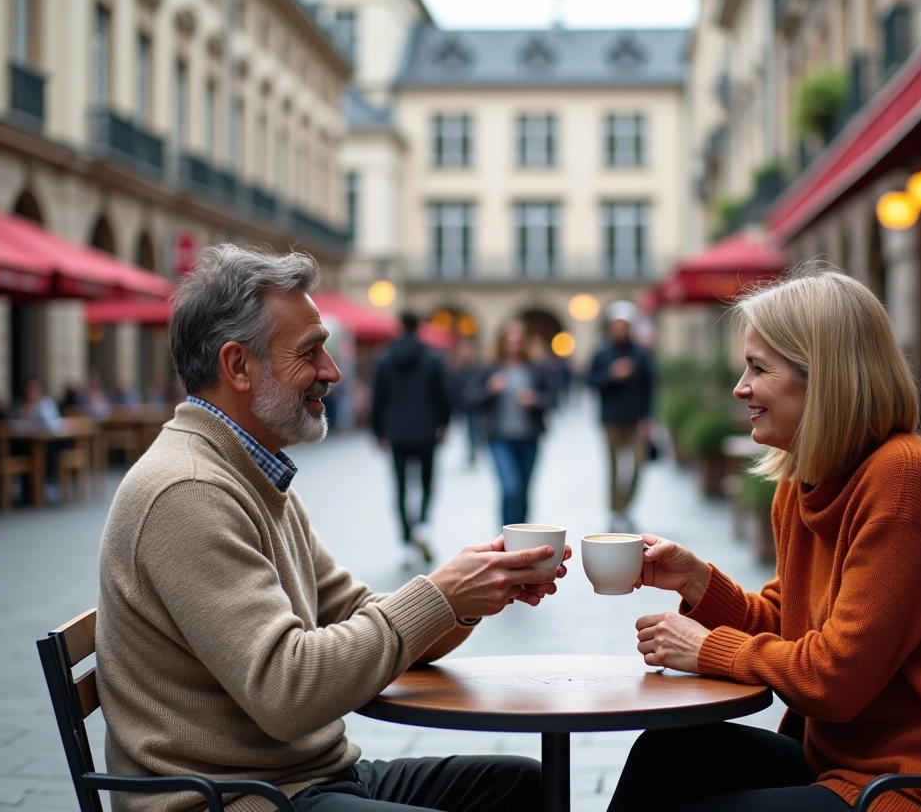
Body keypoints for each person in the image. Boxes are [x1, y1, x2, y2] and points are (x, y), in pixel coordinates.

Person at [97, 244, 568, 812]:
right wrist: (438, 595)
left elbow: (353, 608)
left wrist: (470, 596)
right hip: (237, 799)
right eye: (310, 352)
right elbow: (286, 690)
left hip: (304, 777)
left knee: (521, 785)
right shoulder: (190, 491)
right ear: (238, 366)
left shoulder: (251, 471)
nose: (333, 371)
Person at [609, 267, 921, 812]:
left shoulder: (902, 481)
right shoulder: (806, 479)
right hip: (843, 765)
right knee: (669, 752)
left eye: (759, 368)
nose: (740, 387)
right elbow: (790, 623)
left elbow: (834, 682)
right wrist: (698, 580)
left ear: (823, 377)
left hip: (920, 787)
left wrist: (707, 648)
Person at [371, 312, 452, 566]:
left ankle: (405, 542)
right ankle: (423, 525)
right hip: (427, 430)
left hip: (397, 432)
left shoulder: (385, 358)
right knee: (427, 482)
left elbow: (378, 399)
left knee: (401, 487)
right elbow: (443, 395)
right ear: (420, 327)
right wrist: (443, 424)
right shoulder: (433, 358)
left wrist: (377, 431)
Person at [464, 320, 558, 526]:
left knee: (523, 491)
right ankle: (506, 538)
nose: (514, 343)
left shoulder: (536, 368)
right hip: (499, 438)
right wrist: (490, 389)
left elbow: (552, 399)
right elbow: (469, 398)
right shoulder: (489, 367)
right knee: (511, 489)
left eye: (519, 339)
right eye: (510, 339)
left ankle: (522, 536)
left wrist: (535, 400)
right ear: (502, 341)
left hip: (529, 438)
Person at [587, 301, 654, 531]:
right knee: (614, 467)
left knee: (638, 464)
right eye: (616, 325)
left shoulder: (640, 354)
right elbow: (590, 381)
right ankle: (615, 512)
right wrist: (612, 375)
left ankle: (625, 507)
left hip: (636, 420)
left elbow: (650, 388)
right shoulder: (602, 353)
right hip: (611, 420)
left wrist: (648, 418)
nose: (620, 329)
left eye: (623, 325)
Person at [446, 337, 484, 467]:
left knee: (473, 428)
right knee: (466, 430)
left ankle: (474, 450)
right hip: (461, 405)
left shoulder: (478, 366)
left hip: (475, 404)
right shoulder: (455, 367)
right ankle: (471, 451)